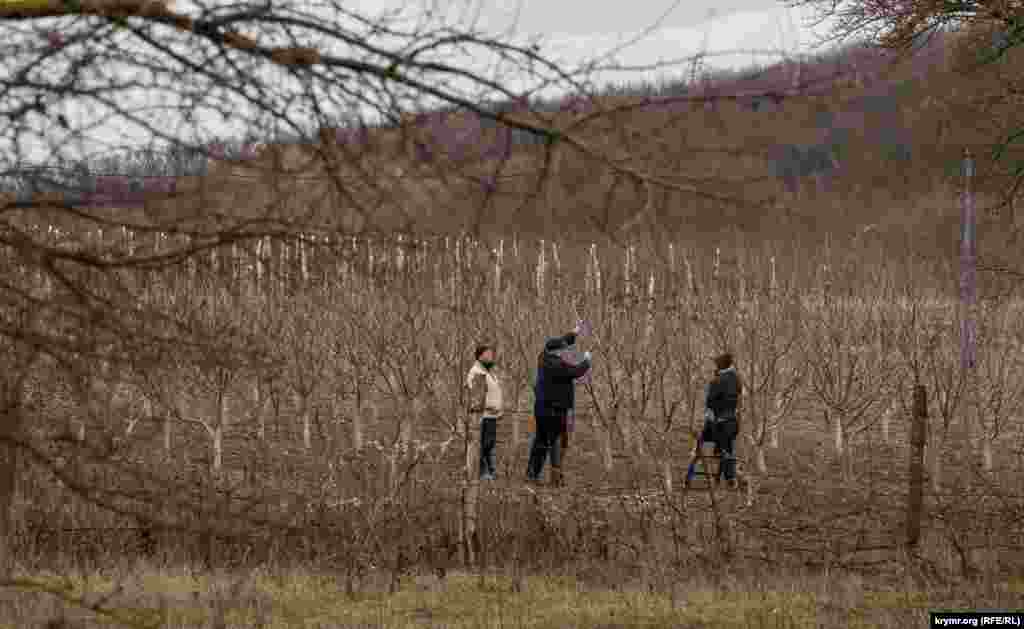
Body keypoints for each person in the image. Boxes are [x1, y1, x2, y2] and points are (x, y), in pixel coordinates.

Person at [528, 331, 592, 486]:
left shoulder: (543, 356)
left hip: (544, 409)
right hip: (553, 411)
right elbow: (576, 372)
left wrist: (574, 334)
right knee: (554, 442)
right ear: (557, 352)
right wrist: (587, 360)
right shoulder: (556, 364)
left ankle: (533, 474)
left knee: (541, 442)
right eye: (563, 350)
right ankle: (555, 479)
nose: (565, 352)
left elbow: (560, 341)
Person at [702, 352, 742, 488]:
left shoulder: (718, 380)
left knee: (724, 451)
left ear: (720, 365)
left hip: (720, 423)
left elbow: (710, 402)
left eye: (716, 363)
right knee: (727, 449)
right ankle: (728, 476)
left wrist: (712, 384)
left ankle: (732, 478)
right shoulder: (736, 378)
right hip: (733, 422)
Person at [465, 344, 503, 481]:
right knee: (482, 444)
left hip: (492, 415)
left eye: (491, 354)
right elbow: (474, 395)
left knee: (489, 444)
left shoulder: (489, 372)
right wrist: (489, 406)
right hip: (483, 415)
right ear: (480, 356)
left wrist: (498, 408)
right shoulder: (475, 372)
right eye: (488, 354)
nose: (491, 357)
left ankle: (489, 470)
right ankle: (481, 471)